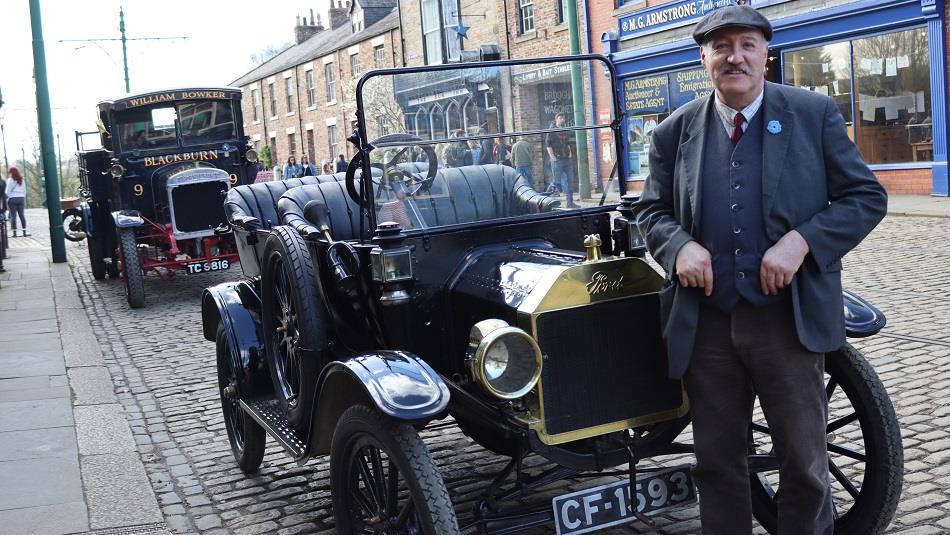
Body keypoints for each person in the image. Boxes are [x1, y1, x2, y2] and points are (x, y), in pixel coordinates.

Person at [632, 7, 887, 535]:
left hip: (786, 323)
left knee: (806, 467)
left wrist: (802, 242)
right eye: (721, 47)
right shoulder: (673, 131)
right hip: (707, 326)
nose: (735, 57)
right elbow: (651, 211)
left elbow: (865, 197)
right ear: (703, 58)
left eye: (747, 45)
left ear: (765, 54)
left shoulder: (812, 113)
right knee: (719, 468)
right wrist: (679, 248)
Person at [544, 113, 579, 208]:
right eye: (560, 118)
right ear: (556, 120)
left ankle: (570, 203)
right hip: (557, 160)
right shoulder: (551, 131)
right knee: (556, 182)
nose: (562, 120)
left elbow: (567, 143)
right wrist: (553, 157)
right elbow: (548, 145)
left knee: (569, 181)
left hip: (567, 159)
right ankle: (543, 200)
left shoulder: (565, 130)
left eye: (563, 118)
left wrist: (570, 153)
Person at [5, 167, 28, 237]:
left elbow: (7, 191)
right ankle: (24, 231)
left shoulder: (10, 180)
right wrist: (22, 197)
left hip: (12, 198)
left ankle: (14, 233)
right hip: (21, 198)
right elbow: (24, 190)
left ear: (11, 173)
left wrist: (7, 199)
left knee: (13, 216)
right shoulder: (22, 180)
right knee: (22, 215)